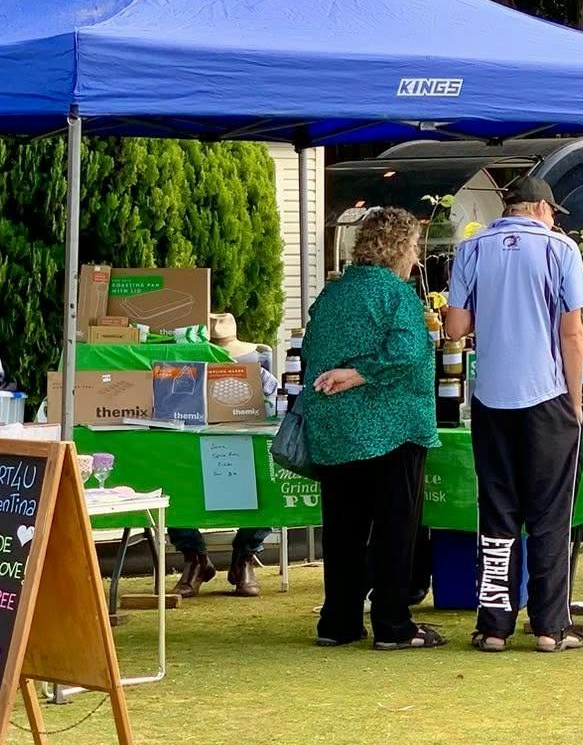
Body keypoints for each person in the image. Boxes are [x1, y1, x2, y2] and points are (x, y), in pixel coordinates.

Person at [444, 174, 583, 654]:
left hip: (491, 396)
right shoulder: (560, 249)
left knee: (498, 512)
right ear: (542, 209)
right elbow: (573, 334)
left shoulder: (471, 248)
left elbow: (456, 326)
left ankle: (493, 626)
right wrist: (576, 399)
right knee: (551, 514)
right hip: (546, 393)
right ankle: (551, 625)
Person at [300, 207, 444, 649]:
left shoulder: (333, 293)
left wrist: (344, 374)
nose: (417, 257)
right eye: (415, 247)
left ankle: (337, 622)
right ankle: (393, 625)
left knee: (342, 529)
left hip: (334, 427)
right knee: (395, 530)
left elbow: (309, 350)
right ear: (401, 248)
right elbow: (407, 353)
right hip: (392, 426)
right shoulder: (396, 295)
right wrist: (360, 374)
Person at [171, 311, 278, 598]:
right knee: (171, 480)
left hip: (244, 443)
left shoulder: (260, 374)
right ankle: (195, 558)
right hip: (190, 445)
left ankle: (244, 556)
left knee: (267, 487)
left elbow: (274, 408)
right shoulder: (180, 375)